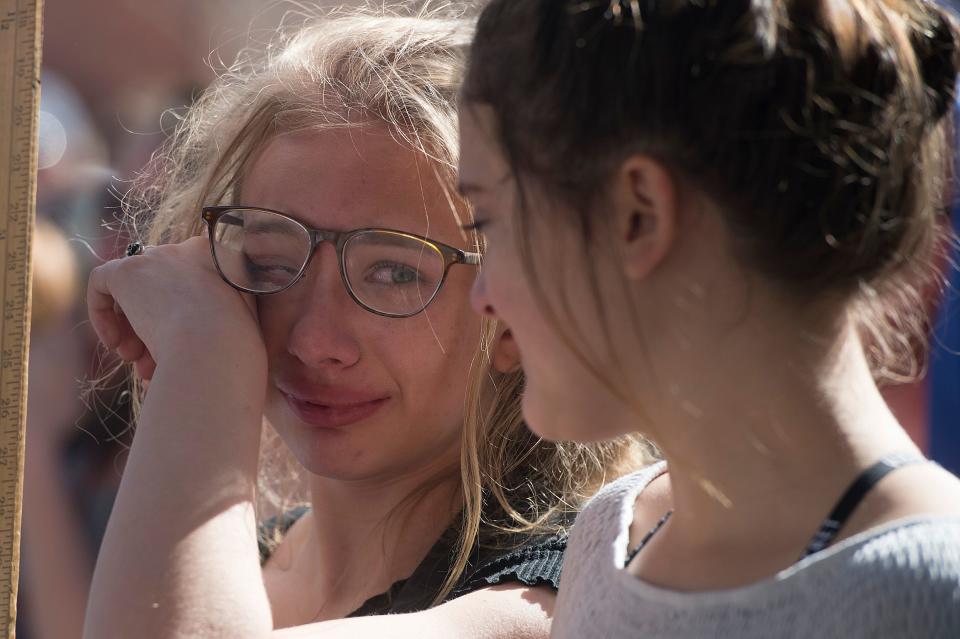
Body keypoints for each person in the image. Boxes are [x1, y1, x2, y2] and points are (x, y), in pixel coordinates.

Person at [81, 6, 650, 639]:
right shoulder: (239, 560)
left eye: (397, 273)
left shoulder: (545, 605)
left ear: (517, 303)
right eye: (270, 262)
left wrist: (201, 362)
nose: (314, 341)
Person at [458, 1, 960, 637]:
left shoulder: (932, 591)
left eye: (487, 222)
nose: (482, 296)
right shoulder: (609, 540)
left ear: (635, 213)